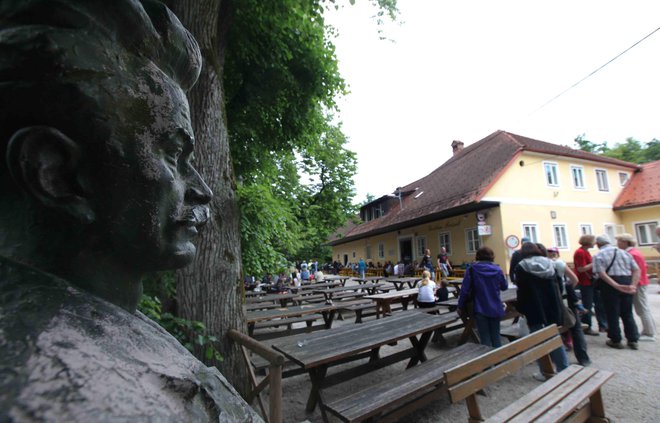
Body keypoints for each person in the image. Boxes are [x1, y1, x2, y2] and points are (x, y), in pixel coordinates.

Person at [0, 1, 257, 420]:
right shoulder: (77, 392)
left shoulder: (100, 316)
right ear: (58, 174)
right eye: (173, 154)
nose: (203, 191)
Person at [514, 242, 569, 373]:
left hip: (533, 306)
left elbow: (521, 290)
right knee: (554, 337)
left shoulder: (522, 266)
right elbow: (559, 285)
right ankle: (563, 368)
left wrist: (521, 308)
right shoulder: (550, 263)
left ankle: (545, 371)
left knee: (537, 339)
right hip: (552, 305)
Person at [593, 235, 640, 350]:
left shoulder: (599, 255)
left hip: (609, 285)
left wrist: (615, 285)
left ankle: (616, 339)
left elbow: (601, 273)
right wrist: (633, 285)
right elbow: (636, 269)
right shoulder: (625, 253)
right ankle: (633, 339)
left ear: (598, 244)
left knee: (612, 312)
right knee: (627, 312)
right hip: (626, 281)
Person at [548, 247, 591, 366]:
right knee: (576, 328)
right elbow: (574, 279)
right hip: (566, 299)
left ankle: (555, 360)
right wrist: (568, 288)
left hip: (554, 301)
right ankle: (583, 358)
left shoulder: (545, 265)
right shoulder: (560, 263)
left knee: (553, 329)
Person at [457, 247, 508, 348]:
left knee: (484, 338)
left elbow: (464, 290)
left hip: (480, 307)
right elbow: (504, 287)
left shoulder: (471, 270)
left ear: (478, 256)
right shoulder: (498, 269)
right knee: (496, 336)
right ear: (492, 257)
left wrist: (460, 306)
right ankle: (499, 361)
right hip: (495, 307)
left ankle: (488, 362)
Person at [615, 234, 655, 341]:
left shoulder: (632, 254)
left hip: (639, 283)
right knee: (642, 307)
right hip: (640, 282)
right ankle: (648, 330)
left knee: (642, 308)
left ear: (625, 242)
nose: (617, 243)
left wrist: (633, 285)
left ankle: (649, 332)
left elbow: (636, 270)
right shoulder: (634, 252)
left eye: (619, 241)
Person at [573, 234, 607, 336]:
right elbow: (581, 269)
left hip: (589, 281)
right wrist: (594, 263)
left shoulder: (585, 251)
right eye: (593, 241)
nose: (595, 243)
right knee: (587, 304)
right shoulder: (580, 252)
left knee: (598, 302)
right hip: (584, 281)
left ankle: (602, 325)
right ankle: (587, 326)